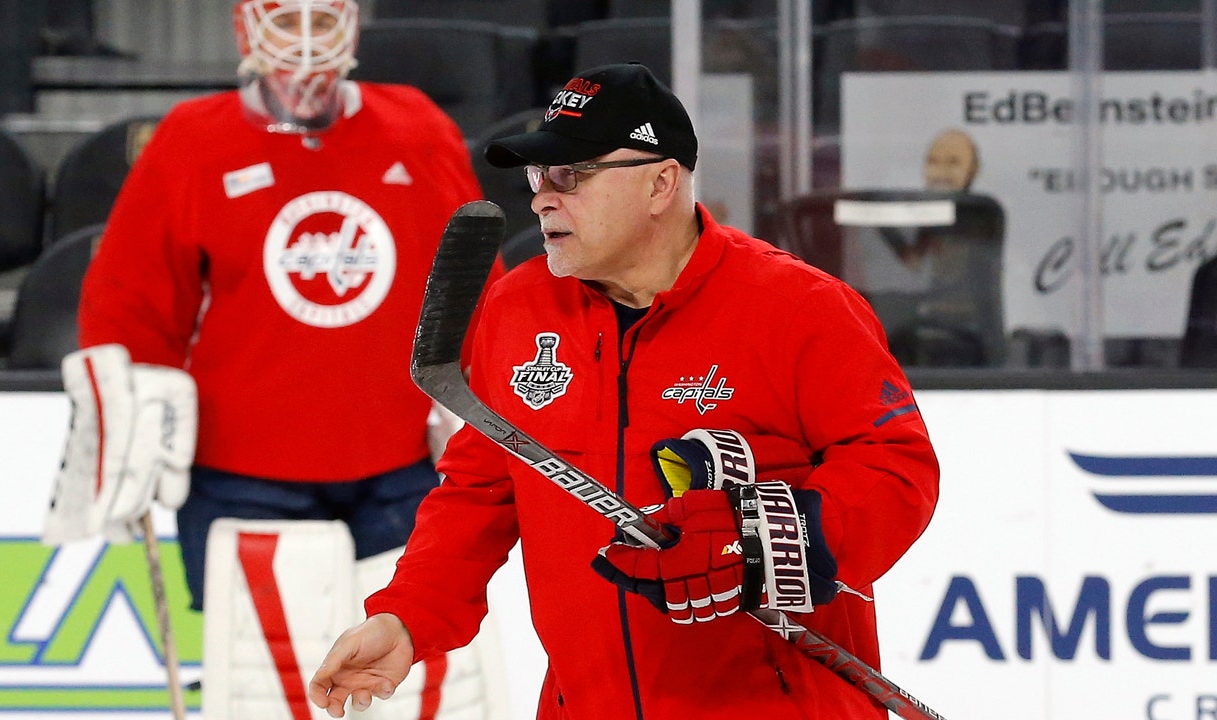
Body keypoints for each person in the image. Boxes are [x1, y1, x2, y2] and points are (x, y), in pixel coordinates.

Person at [309, 62, 939, 719]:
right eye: (537, 177)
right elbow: (481, 490)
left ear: (661, 183)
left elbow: (897, 471)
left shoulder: (800, 309)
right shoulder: (518, 307)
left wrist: (752, 539)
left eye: (569, 176)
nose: (541, 198)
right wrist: (408, 618)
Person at [72, 0, 482, 613]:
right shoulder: (192, 138)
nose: (308, 42)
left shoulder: (417, 127)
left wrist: (471, 403)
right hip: (239, 476)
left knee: (394, 690)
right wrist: (131, 427)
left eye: (323, 21)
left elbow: (471, 284)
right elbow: (132, 303)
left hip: (399, 470)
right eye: (289, 22)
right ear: (247, 29)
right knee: (259, 685)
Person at [922, 127, 979, 192]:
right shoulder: (911, 201)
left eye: (953, 163)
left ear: (972, 170)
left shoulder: (984, 202)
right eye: (933, 162)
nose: (941, 171)